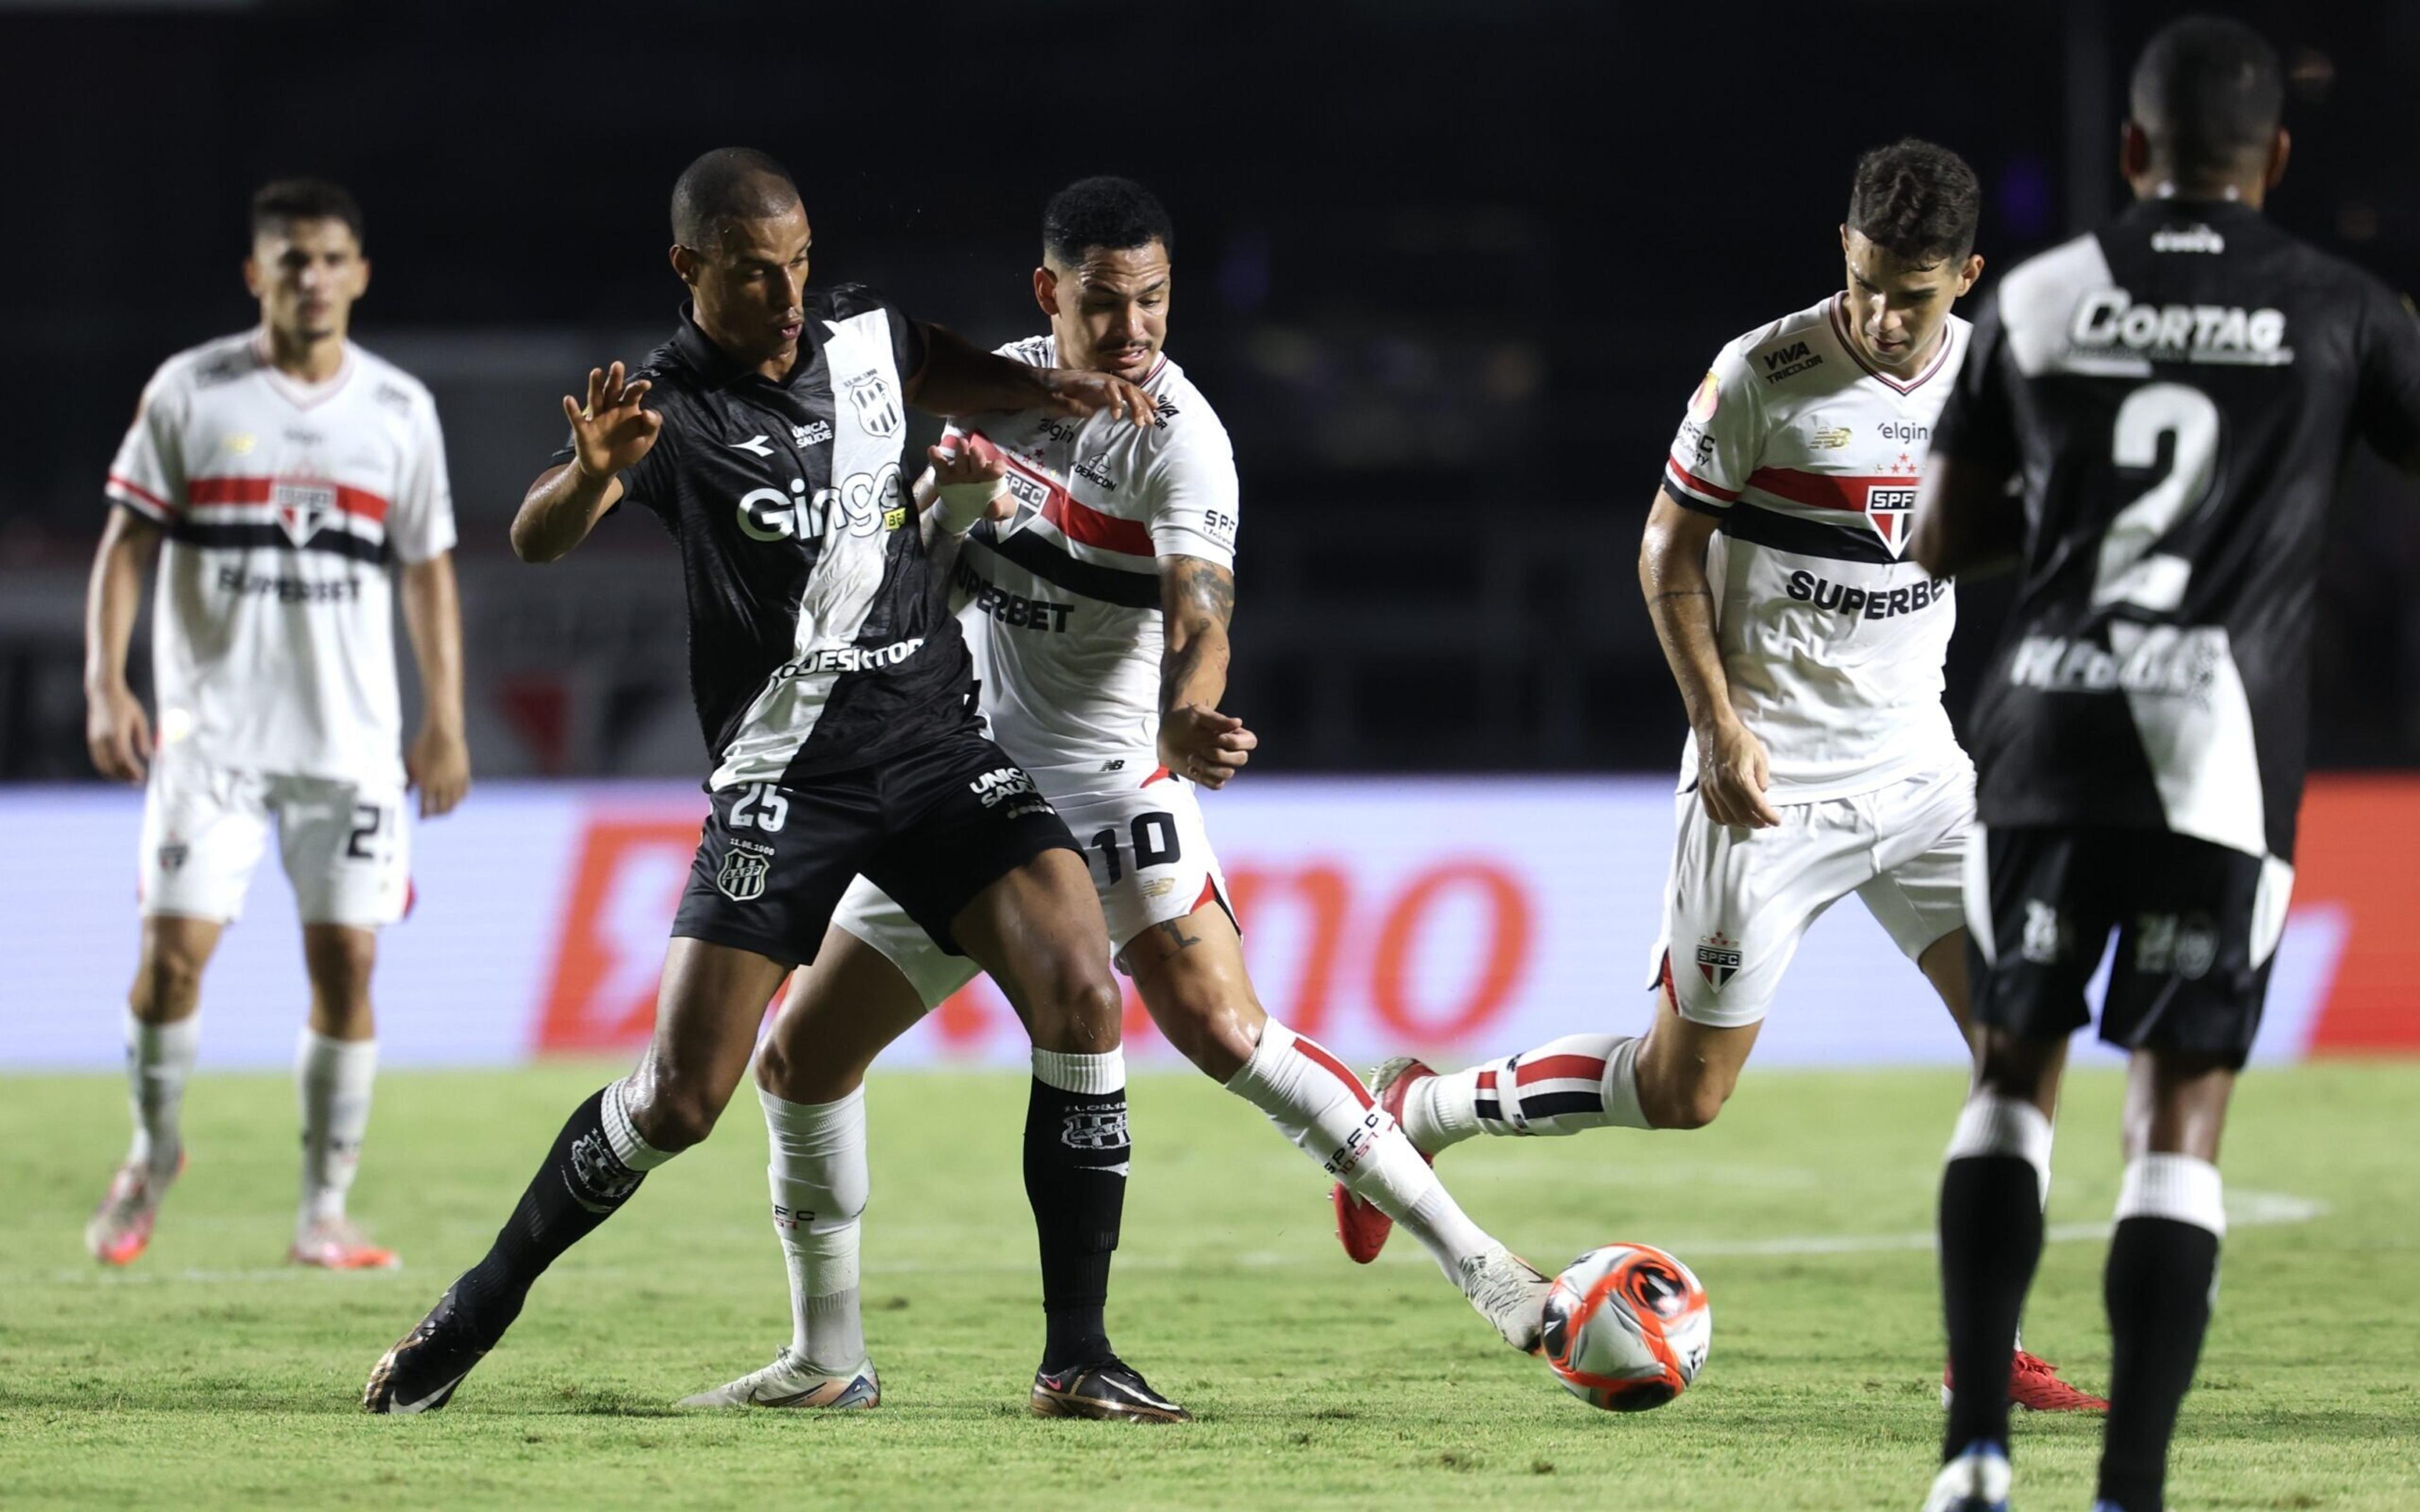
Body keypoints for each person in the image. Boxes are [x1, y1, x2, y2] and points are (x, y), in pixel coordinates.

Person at [678, 177, 1548, 1419]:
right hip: (970, 785)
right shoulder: (1002, 397)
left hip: (1108, 779)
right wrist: (943, 517)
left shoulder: (1185, 439)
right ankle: (828, 1362)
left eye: (1154, 300)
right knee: (802, 1061)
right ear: (1050, 295)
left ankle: (1487, 1269)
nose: (1135, 326)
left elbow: (1205, 610)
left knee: (1224, 1034)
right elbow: (920, 595)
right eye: (1105, 302)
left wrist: (1191, 712)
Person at [362, 148, 1172, 1419]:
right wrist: (584, 474)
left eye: (797, 265)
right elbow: (534, 537)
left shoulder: (855, 330)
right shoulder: (668, 405)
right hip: (785, 774)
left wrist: (1044, 389)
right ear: (689, 268)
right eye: (755, 274)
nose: (788, 296)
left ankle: (1078, 1357)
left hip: (931, 743)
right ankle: (478, 1303)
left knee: (1080, 988)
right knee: (684, 1099)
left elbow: (930, 358)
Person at [1339, 140, 2101, 1412]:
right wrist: (1722, 727)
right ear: (1842, 254)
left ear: (1966, 277)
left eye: (1911, 293)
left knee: (2022, 1044)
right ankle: (1423, 1109)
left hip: (1921, 775)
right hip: (1768, 775)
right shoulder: (1767, 374)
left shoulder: (2001, 379)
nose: (1880, 315)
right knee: (1681, 1092)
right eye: (1862, 283)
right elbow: (1664, 554)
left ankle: (1992, 1347)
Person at [1910, 18, 2420, 1512]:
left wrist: (2075, 527)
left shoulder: (2047, 295)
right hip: (2219, 754)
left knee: (2011, 1080)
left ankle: (1975, 1464)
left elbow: (1944, 537)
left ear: (2133, 152)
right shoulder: (2341, 308)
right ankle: (2129, 1487)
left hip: (2048, 736)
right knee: (2178, 1113)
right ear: (2274, 158)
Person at [83, 178, 468, 1273]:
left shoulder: (398, 411)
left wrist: (446, 720)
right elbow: (126, 546)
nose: (312, 277)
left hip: (349, 750)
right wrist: (109, 685)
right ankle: (153, 1154)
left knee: (347, 966)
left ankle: (323, 1214)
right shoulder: (193, 393)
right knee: (171, 965)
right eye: (291, 260)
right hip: (211, 745)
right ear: (257, 275)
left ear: (359, 274)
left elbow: (428, 572)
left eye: (332, 257)